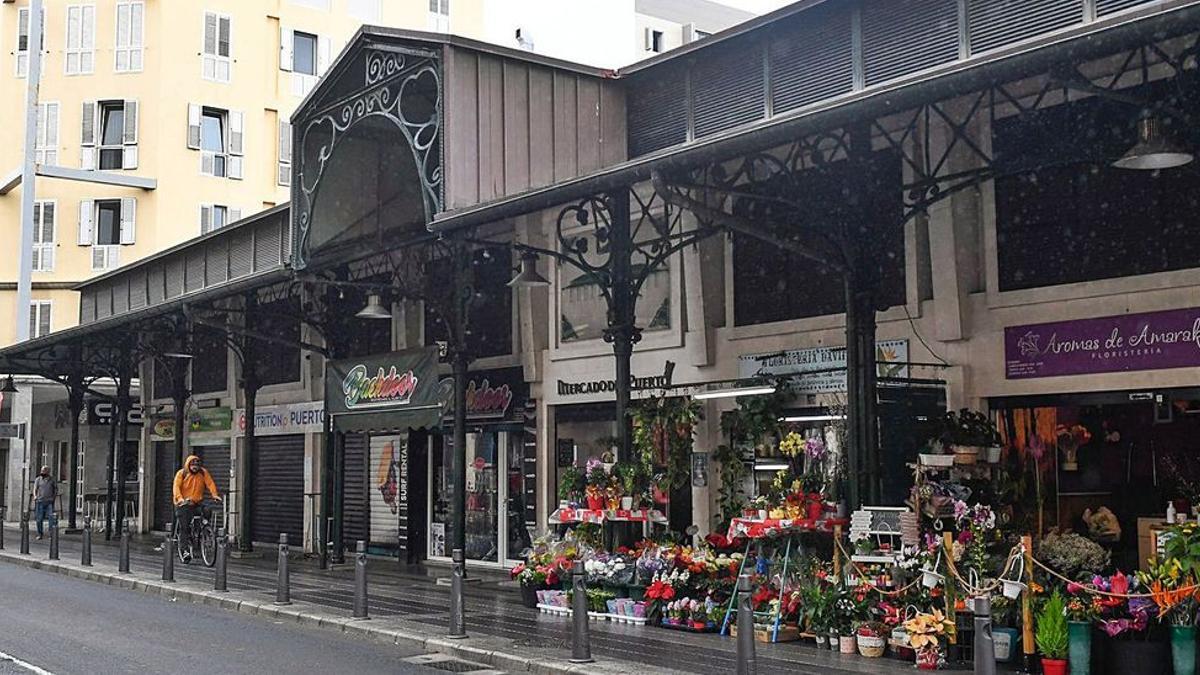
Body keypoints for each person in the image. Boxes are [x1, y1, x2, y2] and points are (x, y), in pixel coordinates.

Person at [172, 455, 221, 562]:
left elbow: (210, 483)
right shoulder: (182, 473)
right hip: (183, 504)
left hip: (196, 503)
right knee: (184, 528)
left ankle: (202, 530)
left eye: (197, 465)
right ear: (188, 465)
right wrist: (180, 499)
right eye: (193, 465)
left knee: (207, 510)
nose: (195, 467)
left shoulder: (203, 473)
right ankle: (185, 551)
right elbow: (176, 487)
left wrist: (214, 494)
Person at [30, 466, 57, 540]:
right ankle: (40, 533)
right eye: (42, 471)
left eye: (44, 471)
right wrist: (35, 496)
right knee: (39, 518)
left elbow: (55, 489)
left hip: (49, 502)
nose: (42, 472)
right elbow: (35, 489)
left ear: (48, 472)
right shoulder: (38, 479)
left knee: (51, 519)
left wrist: (53, 498)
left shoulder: (52, 480)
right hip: (40, 501)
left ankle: (51, 534)